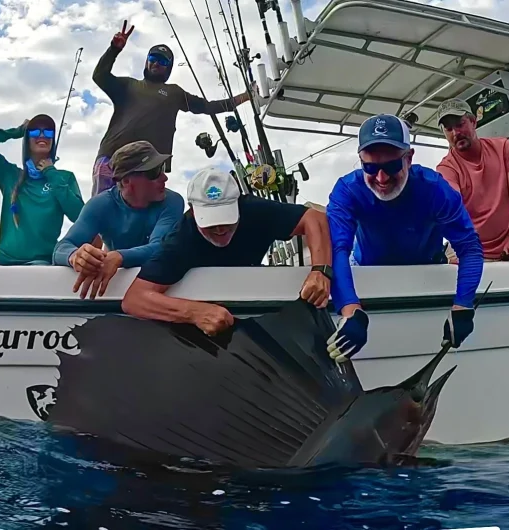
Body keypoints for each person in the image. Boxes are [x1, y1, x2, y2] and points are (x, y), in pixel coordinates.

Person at [325, 113, 484, 362]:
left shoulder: (435, 190)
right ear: (360, 160)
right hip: (368, 272)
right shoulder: (346, 190)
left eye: (391, 166)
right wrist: (349, 308)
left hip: (426, 272)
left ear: (409, 159)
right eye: (370, 167)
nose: (381, 178)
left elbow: (469, 248)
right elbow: (337, 250)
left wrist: (463, 306)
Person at [121, 167, 333, 336]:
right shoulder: (181, 238)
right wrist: (194, 312)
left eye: (226, 220)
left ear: (238, 204)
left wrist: (320, 270)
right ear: (193, 212)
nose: (220, 229)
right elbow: (134, 299)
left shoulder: (255, 210)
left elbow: (314, 218)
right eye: (211, 223)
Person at [91, 20, 255, 197]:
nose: (156, 64)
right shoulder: (128, 85)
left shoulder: (174, 93)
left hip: (149, 169)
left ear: (168, 68)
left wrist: (244, 97)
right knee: (102, 215)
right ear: (146, 62)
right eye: (153, 59)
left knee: (144, 220)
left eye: (162, 61)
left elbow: (206, 107)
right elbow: (99, 76)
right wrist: (114, 49)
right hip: (112, 159)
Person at [52, 141, 185, 299]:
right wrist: (76, 257)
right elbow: (60, 249)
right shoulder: (100, 205)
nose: (164, 177)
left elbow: (161, 248)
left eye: (162, 168)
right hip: (116, 294)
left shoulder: (172, 202)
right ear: (127, 181)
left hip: (157, 290)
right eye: (154, 172)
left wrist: (119, 257)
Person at [0, 114, 84, 266]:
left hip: (41, 263)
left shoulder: (65, 178)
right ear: (27, 139)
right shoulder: (10, 176)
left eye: (48, 132)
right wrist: (16, 132)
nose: (42, 136)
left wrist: (51, 172)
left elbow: (79, 215)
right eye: (34, 132)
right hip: (3, 262)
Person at [435, 97, 509, 263]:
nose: (455, 133)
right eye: (448, 128)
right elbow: (451, 208)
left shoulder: (504, 148)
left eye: (460, 124)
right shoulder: (446, 169)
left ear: (473, 122)